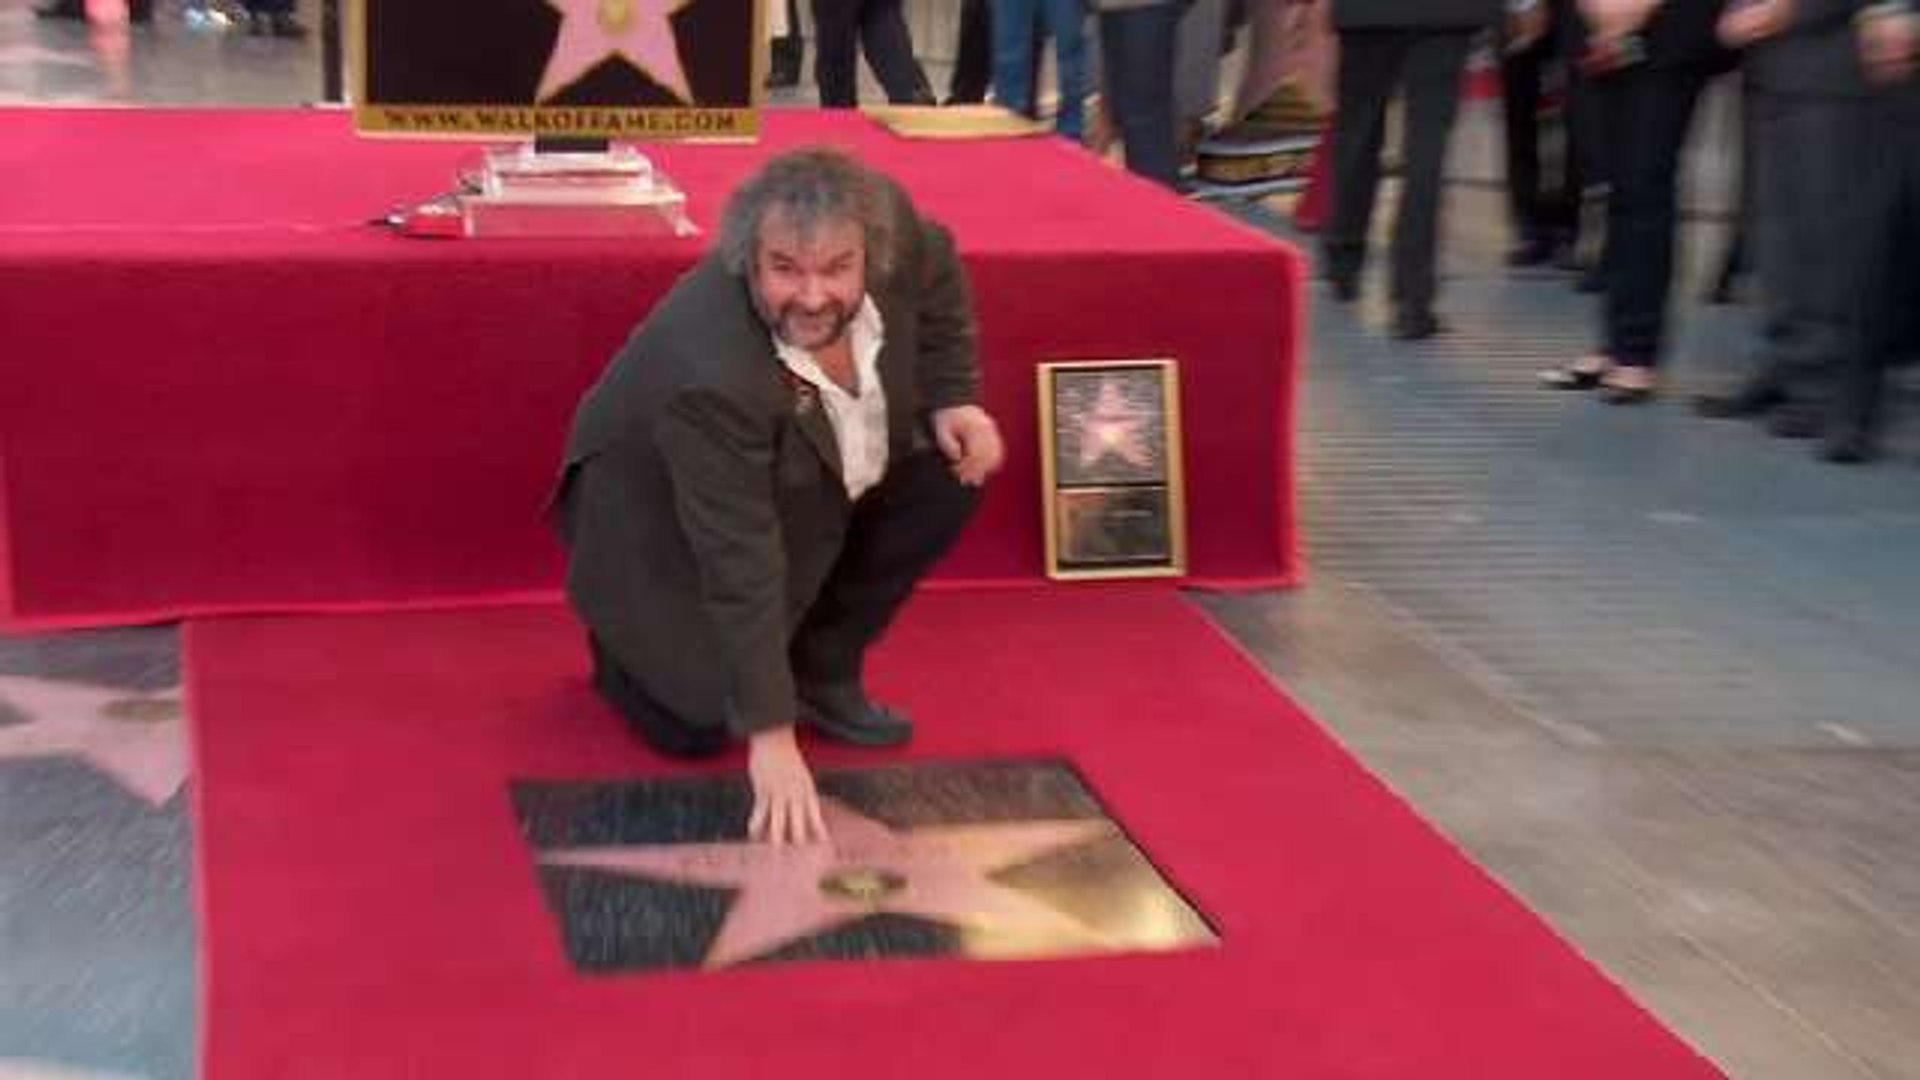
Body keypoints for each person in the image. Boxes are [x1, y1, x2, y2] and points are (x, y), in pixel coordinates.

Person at [552, 148, 1005, 845]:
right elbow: (739, 555)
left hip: (799, 468)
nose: (814, 295)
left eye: (835, 269)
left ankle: (822, 667)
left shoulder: (890, 226)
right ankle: (624, 651)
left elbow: (939, 272)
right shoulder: (709, 370)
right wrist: (771, 735)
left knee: (952, 469)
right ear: (749, 260)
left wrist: (954, 398)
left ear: (869, 254)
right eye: (786, 270)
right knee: (696, 726)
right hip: (654, 522)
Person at [1539, 0, 1731, 403]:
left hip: (1668, 34)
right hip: (1591, 33)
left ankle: (1635, 351)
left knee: (1645, 183)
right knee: (1611, 185)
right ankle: (1613, 341)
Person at [1321, 0, 1505, 340]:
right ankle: (1412, 299)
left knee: (1357, 130)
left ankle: (1343, 259)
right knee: (1427, 147)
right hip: (1446, 14)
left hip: (1367, 14)